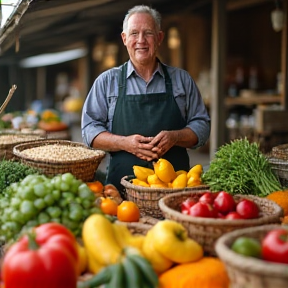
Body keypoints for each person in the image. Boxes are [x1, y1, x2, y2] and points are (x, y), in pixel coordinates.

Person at [81, 5, 211, 194]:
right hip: (120, 194)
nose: (140, 40)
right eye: (134, 33)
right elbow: (89, 130)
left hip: (175, 191)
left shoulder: (182, 80)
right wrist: (124, 143)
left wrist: (175, 137)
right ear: (125, 39)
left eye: (148, 33)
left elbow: (202, 126)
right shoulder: (106, 82)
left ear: (159, 38)